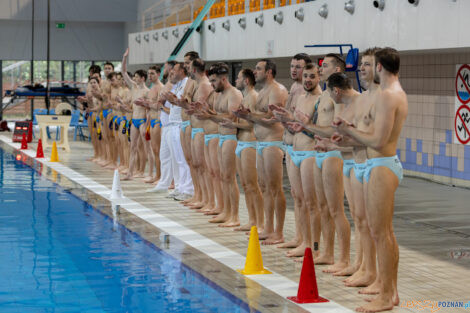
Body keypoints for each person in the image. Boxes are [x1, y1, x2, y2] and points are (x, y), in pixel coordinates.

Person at [334, 47, 407, 313]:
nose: (365, 69)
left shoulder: (389, 95)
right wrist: (350, 133)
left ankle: (386, 296)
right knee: (384, 233)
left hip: (381, 164)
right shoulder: (390, 94)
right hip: (380, 163)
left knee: (381, 233)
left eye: (369, 64)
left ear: (379, 67)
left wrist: (347, 131)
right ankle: (391, 291)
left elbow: (378, 141)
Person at [236, 59, 288, 244]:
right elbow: (259, 117)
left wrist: (249, 115)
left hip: (273, 143)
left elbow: (272, 119)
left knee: (275, 188)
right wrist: (246, 115)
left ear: (269, 72)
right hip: (261, 143)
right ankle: (268, 228)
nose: (255, 72)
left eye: (259, 69)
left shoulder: (277, 90)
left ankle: (279, 232)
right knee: (264, 187)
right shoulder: (263, 92)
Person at [193, 62, 243, 227]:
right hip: (222, 138)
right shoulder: (219, 94)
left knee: (229, 177)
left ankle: (234, 216)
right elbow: (217, 114)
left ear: (223, 78)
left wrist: (210, 116)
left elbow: (231, 119)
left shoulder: (234, 94)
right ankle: (226, 212)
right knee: (223, 177)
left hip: (230, 138)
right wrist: (208, 113)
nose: (212, 85)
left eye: (214, 81)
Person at [221, 68, 264, 231]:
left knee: (253, 185)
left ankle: (260, 222)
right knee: (245, 185)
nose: (236, 80)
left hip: (250, 143)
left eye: (238, 78)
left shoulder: (253, 97)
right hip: (241, 142)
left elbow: (253, 123)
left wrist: (234, 124)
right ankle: (252, 220)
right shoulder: (245, 97)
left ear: (246, 81)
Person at [120, 48, 155, 182]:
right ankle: (130, 173)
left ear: (143, 78)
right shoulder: (134, 88)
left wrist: (144, 104)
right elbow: (123, 72)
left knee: (147, 148)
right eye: (133, 77)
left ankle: (150, 173)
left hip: (142, 121)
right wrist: (124, 58)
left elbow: (151, 108)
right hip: (133, 121)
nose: (133, 79)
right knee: (132, 147)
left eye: (136, 77)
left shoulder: (147, 91)